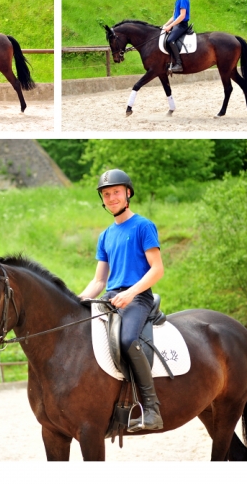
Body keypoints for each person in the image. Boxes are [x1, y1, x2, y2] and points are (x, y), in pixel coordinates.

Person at [78, 169, 165, 430]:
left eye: (116, 192)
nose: (111, 197)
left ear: (128, 193)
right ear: (102, 200)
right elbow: (99, 281)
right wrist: (78, 299)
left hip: (137, 298)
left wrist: (131, 293)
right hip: (111, 297)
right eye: (106, 194)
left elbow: (157, 269)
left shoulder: (143, 226)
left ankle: (151, 409)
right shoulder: (105, 235)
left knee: (128, 340)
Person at [162, 0, 190, 73]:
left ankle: (179, 64)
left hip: (182, 25)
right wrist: (165, 25)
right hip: (177, 24)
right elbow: (174, 17)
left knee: (170, 40)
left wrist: (170, 26)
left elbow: (182, 16)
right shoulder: (178, 0)